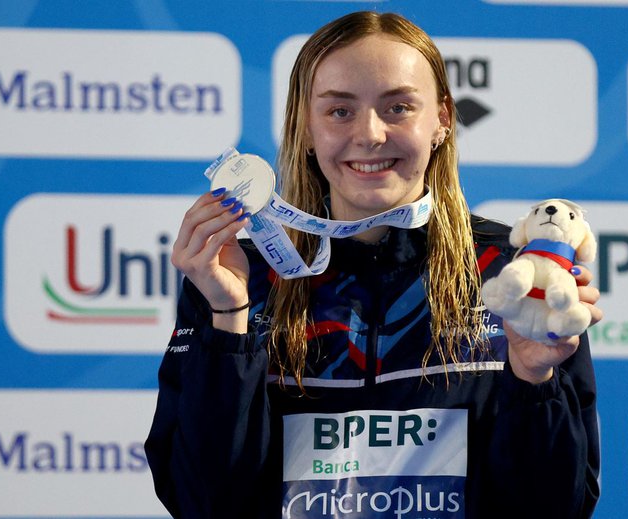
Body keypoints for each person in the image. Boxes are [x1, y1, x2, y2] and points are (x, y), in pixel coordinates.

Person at [145, 10, 602, 519]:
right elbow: (202, 505)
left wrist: (533, 381)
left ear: (442, 121)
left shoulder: (510, 274)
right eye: (339, 111)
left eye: (399, 108)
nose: (370, 134)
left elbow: (558, 509)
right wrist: (229, 325)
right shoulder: (240, 281)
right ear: (306, 127)